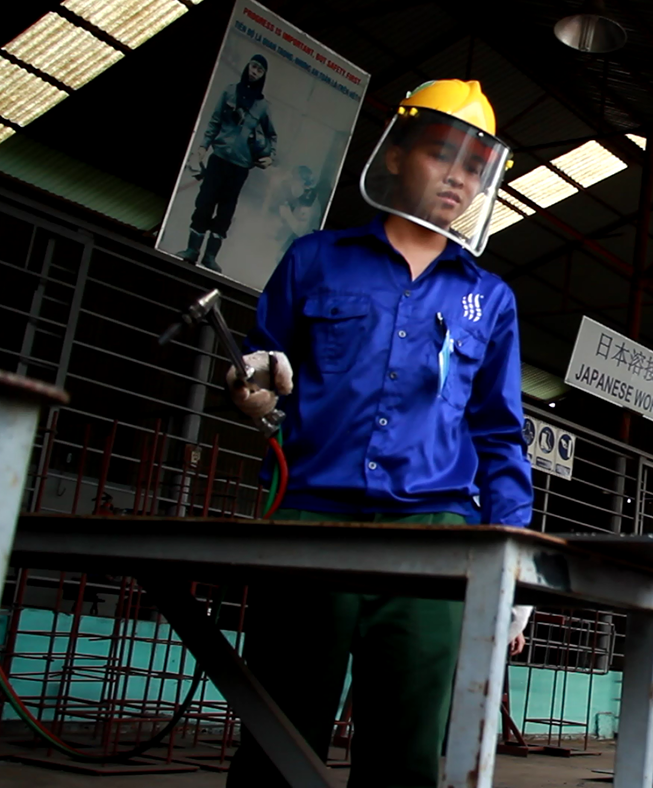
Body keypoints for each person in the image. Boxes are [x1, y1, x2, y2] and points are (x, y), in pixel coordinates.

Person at [222, 79, 531, 787]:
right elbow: (259, 361)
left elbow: (498, 433)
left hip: (435, 537)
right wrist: (251, 381)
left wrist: (514, 564)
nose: (458, 177)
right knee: (276, 739)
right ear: (395, 155)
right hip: (311, 521)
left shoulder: (490, 298)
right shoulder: (314, 259)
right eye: (440, 154)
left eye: (474, 167)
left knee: (404, 750)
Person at [180, 54, 278, 274]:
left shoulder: (262, 106)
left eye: (259, 70)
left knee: (225, 211)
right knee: (204, 203)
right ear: (247, 66)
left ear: (263, 75)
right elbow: (215, 122)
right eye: (253, 67)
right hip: (219, 159)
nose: (254, 72)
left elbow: (272, 136)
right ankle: (191, 251)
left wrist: (270, 157)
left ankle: (210, 257)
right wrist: (202, 148)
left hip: (240, 167)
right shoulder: (229, 91)